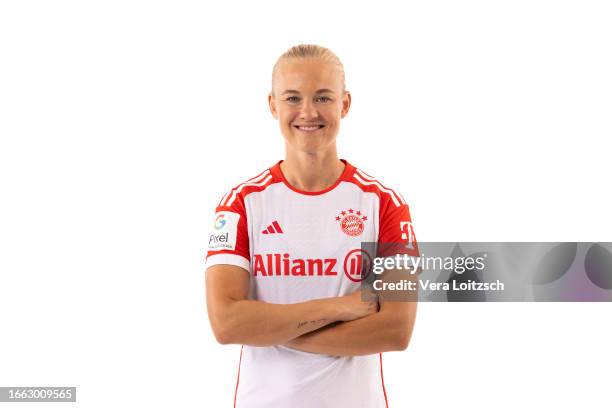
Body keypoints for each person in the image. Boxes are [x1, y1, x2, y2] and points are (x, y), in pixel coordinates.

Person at [205, 44, 419, 408]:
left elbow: (396, 330)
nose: (308, 112)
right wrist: (340, 307)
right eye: (292, 98)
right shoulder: (241, 203)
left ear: (345, 104)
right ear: (273, 105)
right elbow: (227, 324)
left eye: (322, 97)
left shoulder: (385, 204)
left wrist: (270, 328)